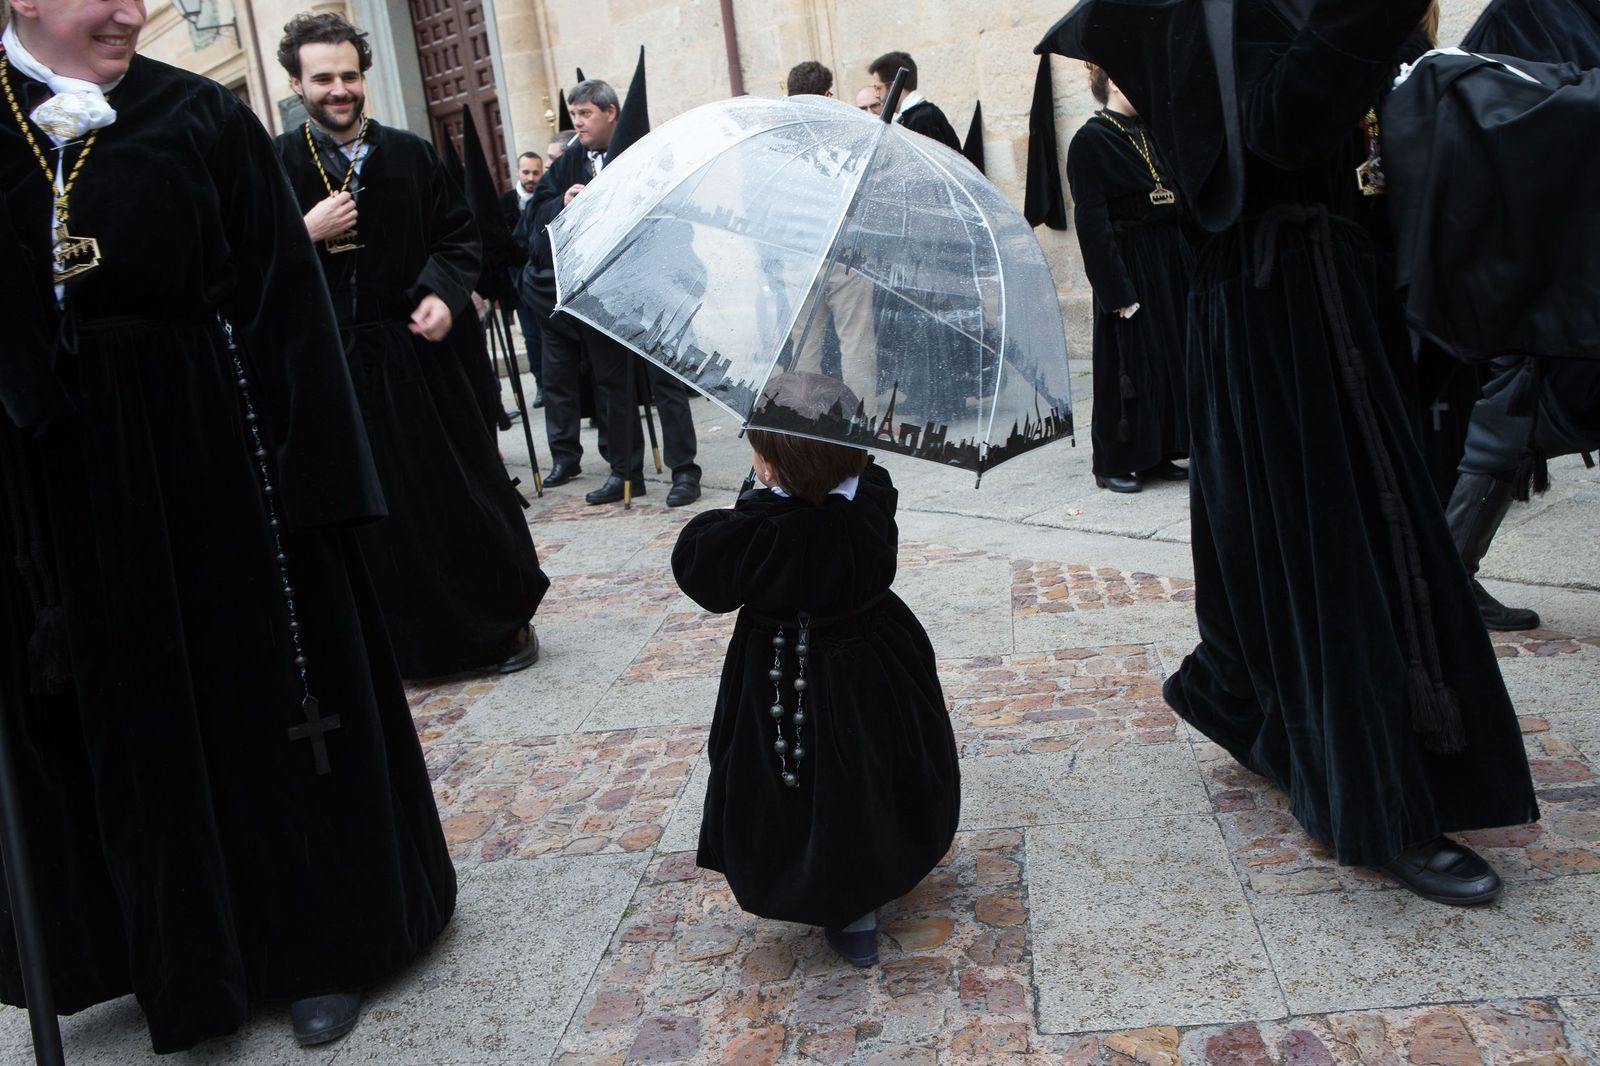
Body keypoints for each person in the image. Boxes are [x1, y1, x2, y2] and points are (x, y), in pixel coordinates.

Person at [0, 0, 454, 1052]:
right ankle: (170, 958)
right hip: (57, 494)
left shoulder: (200, 117)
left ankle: (313, 945)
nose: (130, 9)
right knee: (118, 718)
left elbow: (284, 304)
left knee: (263, 704)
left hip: (220, 465)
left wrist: (323, 494)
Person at [1039, 0, 1537, 905]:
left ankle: (1247, 702)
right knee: (1334, 557)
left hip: (1349, 297)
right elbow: (1275, 128)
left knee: (1311, 544)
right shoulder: (1183, 15)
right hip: (1276, 313)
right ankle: (1379, 802)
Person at [274, 12, 548, 678]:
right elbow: (242, 265)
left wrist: (440, 291)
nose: (338, 89)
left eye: (349, 75)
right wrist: (301, 231)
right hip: (336, 369)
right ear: (296, 82)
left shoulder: (408, 152)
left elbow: (461, 236)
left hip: (420, 359)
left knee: (462, 494)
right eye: (323, 79)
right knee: (375, 515)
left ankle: (497, 628)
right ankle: (397, 650)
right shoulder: (277, 165)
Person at [671, 373, 960, 968]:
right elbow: (837, 495)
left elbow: (699, 564)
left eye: (757, 452)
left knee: (808, 786)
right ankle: (869, 888)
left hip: (790, 672)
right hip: (879, 659)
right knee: (872, 774)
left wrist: (753, 497)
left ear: (772, 467)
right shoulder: (872, 494)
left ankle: (837, 896)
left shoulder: (763, 532)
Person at [521, 76, 702, 506]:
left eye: (586, 114)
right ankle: (625, 472)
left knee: (666, 382)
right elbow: (534, 216)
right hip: (601, 292)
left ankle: (684, 470)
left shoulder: (649, 154)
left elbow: (677, 210)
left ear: (610, 113)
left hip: (652, 283)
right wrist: (562, 202)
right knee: (611, 385)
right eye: (574, 116)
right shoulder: (569, 161)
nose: (578, 124)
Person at [1066, 64, 1191, 493]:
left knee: (1165, 360)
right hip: (1130, 264)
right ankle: (1114, 461)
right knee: (1128, 365)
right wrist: (1115, 290)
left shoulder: (1147, 131)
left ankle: (1158, 454)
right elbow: (1091, 219)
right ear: (1116, 82)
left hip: (1168, 261)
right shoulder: (1090, 139)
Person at [503, 149, 546, 406]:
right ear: (518, 172)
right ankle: (541, 383)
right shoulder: (505, 202)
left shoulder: (546, 197)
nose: (531, 177)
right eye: (526, 172)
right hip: (521, 282)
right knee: (531, 336)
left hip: (545, 279)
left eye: (536, 172)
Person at [867, 50, 961, 151]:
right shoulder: (912, 117)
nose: (876, 95)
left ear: (894, 86)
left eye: (878, 88)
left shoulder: (923, 118)